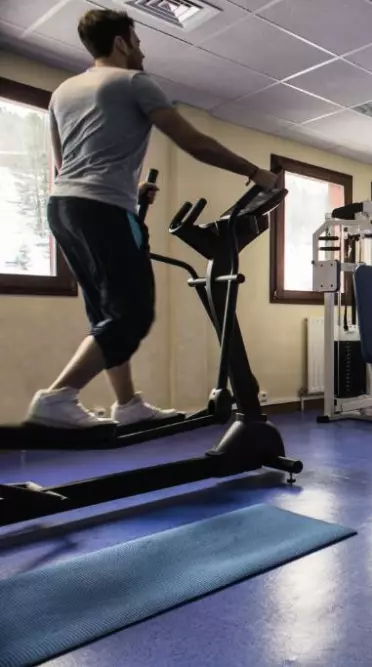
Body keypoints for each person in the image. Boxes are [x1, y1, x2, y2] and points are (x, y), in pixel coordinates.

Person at [26, 8, 279, 429]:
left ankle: (127, 404)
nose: (142, 51)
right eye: (138, 42)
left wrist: (132, 188)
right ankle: (57, 397)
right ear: (121, 42)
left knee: (107, 316)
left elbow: (64, 166)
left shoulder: (62, 93)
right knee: (133, 315)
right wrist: (254, 172)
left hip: (65, 208)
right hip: (104, 209)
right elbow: (194, 142)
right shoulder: (133, 82)